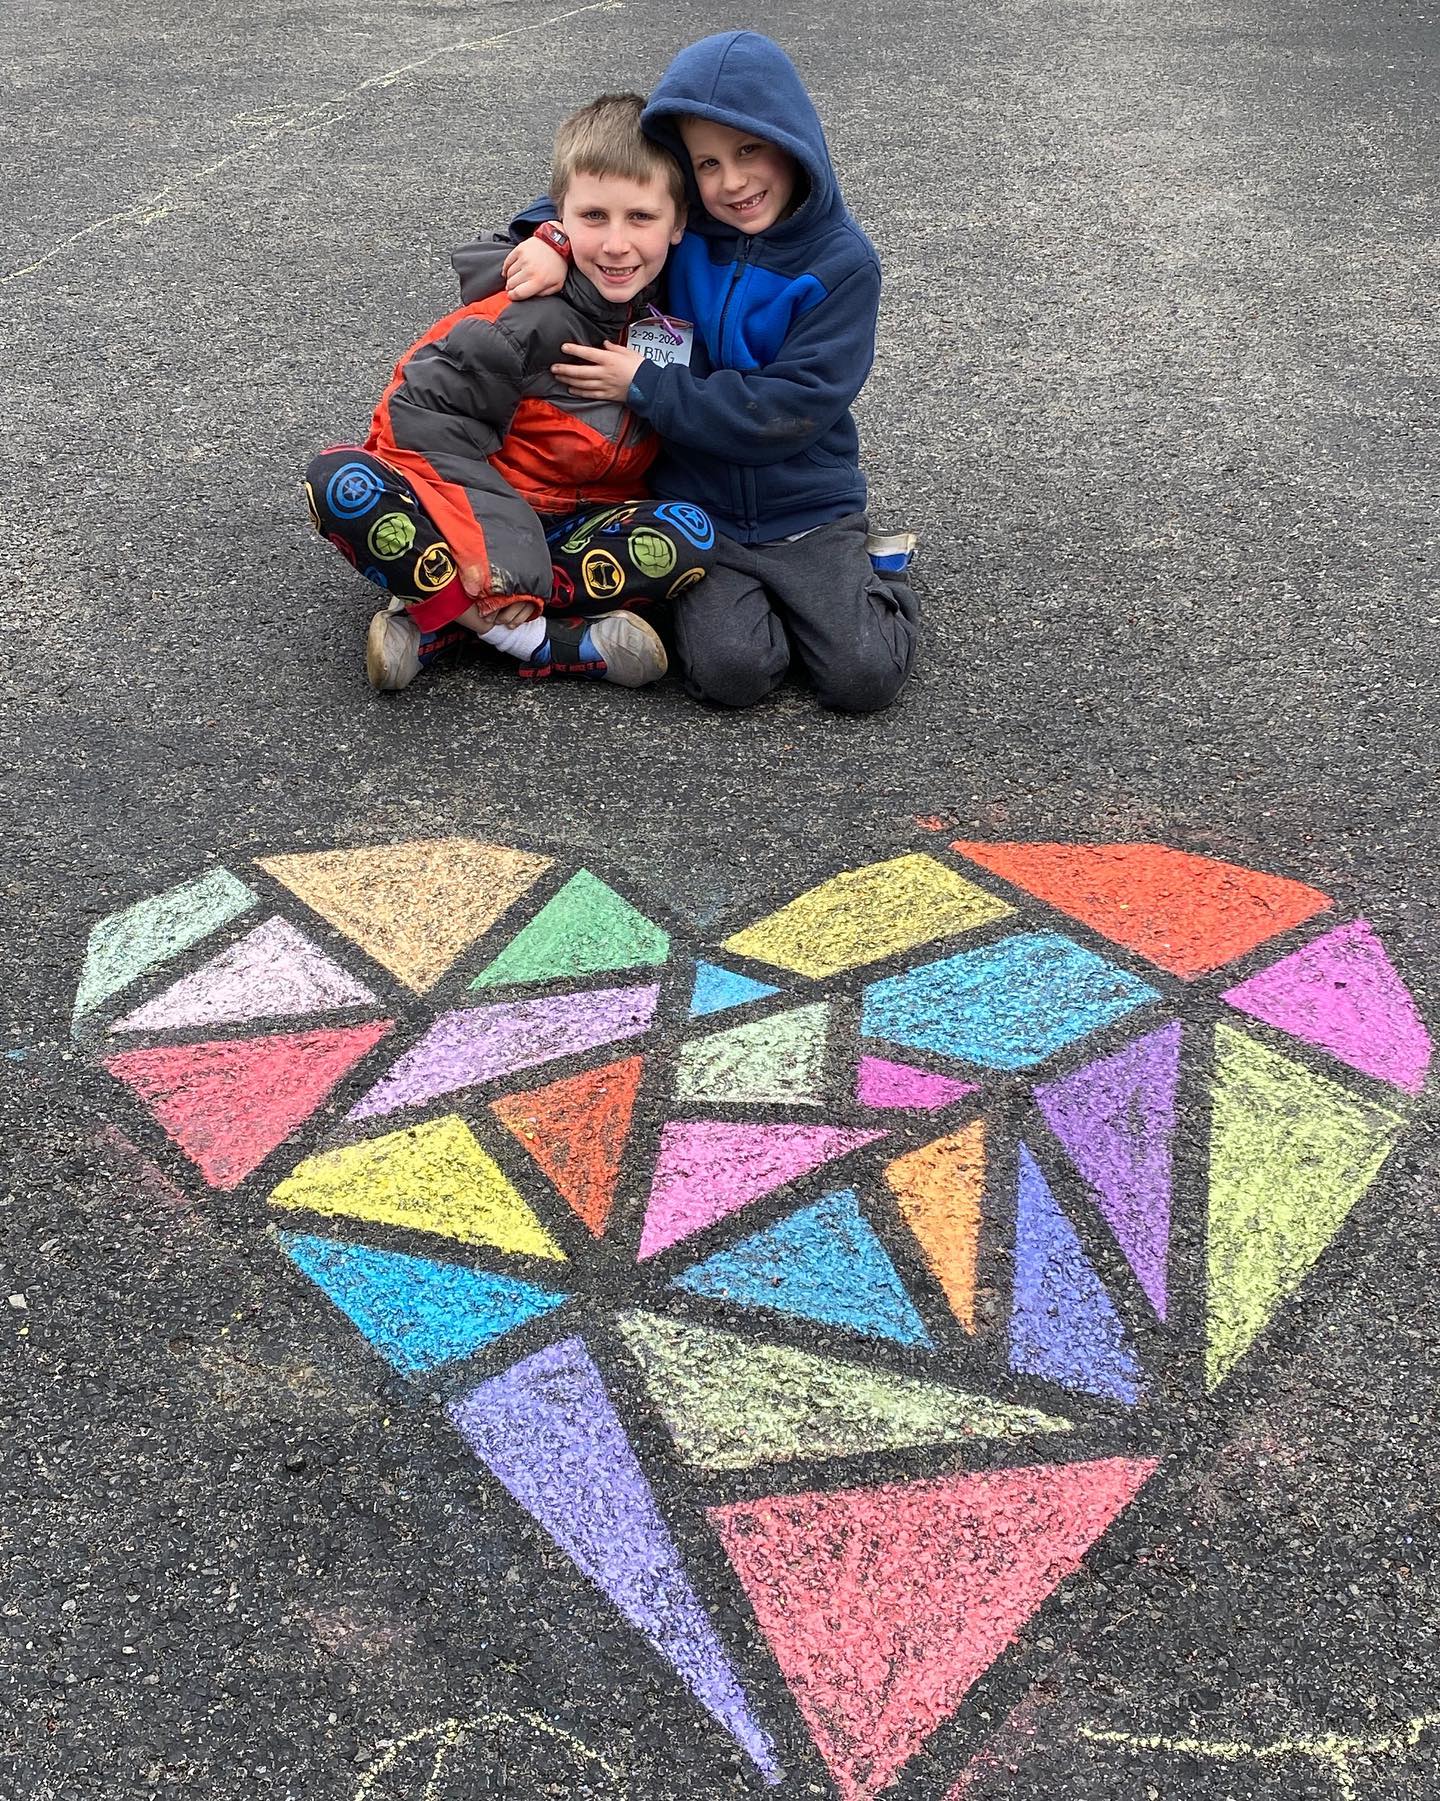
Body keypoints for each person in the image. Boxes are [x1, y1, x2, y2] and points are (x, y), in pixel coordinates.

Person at [498, 31, 920, 712]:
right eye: (707, 163)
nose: (732, 182)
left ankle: (880, 580)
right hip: (698, 511)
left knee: (861, 678)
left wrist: (648, 384)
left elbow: (789, 409)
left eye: (750, 151)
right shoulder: (685, 226)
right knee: (730, 675)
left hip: (807, 509)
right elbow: (597, 190)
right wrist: (547, 239)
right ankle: (781, 618)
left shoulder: (841, 265)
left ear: (793, 140)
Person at [303, 94, 715, 691]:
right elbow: (414, 424)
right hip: (467, 514)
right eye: (593, 217)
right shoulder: (526, 318)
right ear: (560, 221)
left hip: (577, 528)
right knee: (340, 482)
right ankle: (542, 640)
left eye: (641, 219)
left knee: (691, 534)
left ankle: (441, 619)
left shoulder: (678, 308)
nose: (617, 244)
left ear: (678, 224)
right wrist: (502, 565)